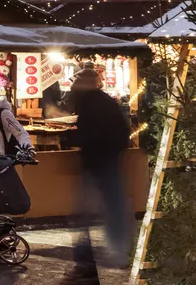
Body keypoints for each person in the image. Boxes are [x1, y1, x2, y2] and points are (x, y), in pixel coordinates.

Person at [68, 67, 131, 280]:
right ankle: (114, 253)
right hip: (104, 159)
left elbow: (92, 132)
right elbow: (121, 132)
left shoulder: (91, 103)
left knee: (88, 213)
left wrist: (77, 142)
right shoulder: (100, 101)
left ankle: (88, 260)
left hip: (98, 160)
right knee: (109, 207)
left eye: (76, 81)